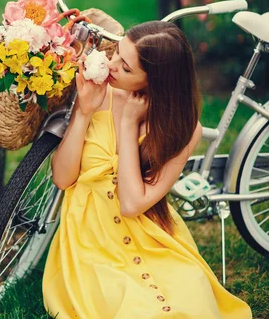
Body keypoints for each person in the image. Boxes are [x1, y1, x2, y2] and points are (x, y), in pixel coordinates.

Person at [42, 21, 252, 318]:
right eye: (116, 53)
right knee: (128, 306)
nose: (112, 65)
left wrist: (128, 125)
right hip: (92, 239)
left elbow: (131, 204)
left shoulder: (183, 130)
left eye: (126, 68)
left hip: (151, 235)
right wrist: (84, 113)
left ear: (154, 82)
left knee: (191, 299)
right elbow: (62, 179)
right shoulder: (97, 95)